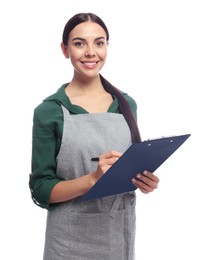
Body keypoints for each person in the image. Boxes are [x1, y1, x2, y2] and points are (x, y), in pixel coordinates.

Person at [29, 12, 160, 260]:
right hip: (68, 242)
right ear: (65, 49)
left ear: (107, 47)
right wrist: (93, 179)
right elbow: (40, 188)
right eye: (80, 43)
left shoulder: (126, 104)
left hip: (118, 236)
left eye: (99, 43)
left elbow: (130, 165)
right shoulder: (50, 111)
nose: (91, 52)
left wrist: (144, 181)